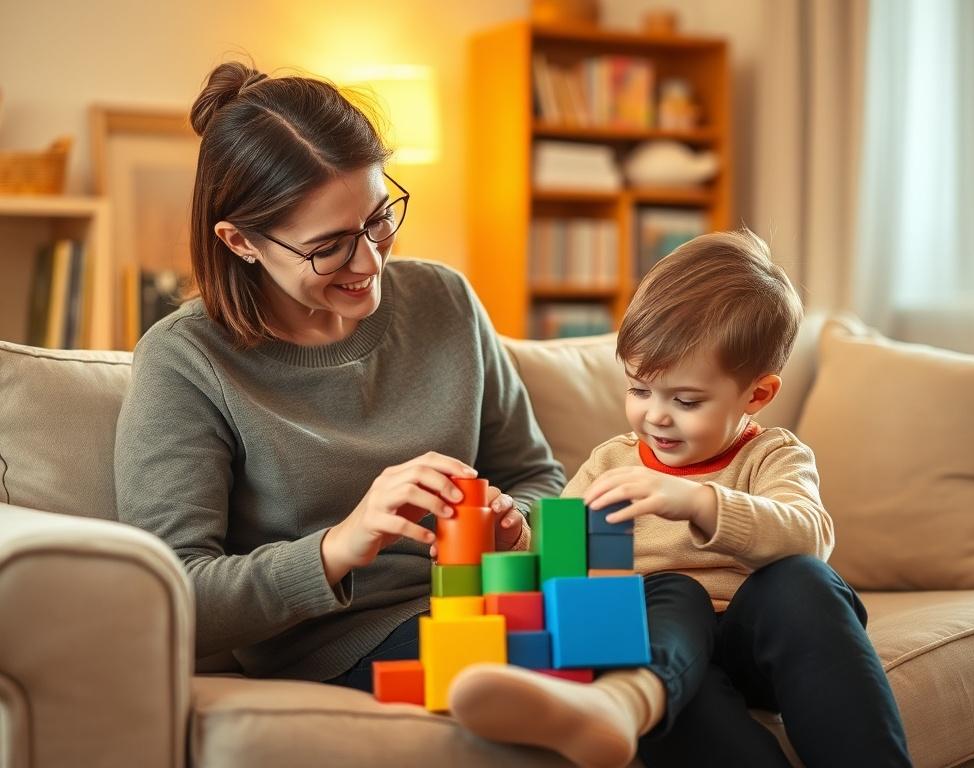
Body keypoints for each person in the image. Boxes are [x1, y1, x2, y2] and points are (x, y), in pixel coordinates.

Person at [113, 61, 566, 688]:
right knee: (577, 662)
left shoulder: (446, 300)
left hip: (490, 602)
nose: (371, 259)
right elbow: (169, 593)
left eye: (380, 217)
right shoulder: (186, 359)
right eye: (329, 246)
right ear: (241, 241)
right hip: (347, 645)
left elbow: (538, 475)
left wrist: (514, 522)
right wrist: (340, 546)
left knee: (676, 610)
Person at [448, 230, 913, 768]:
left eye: (686, 400)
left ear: (757, 394)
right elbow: (559, 562)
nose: (656, 416)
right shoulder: (610, 462)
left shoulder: (773, 455)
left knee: (802, 579)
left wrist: (696, 500)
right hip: (664, 653)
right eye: (639, 389)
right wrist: (512, 538)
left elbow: (808, 534)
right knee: (644, 618)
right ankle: (624, 704)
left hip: (754, 643)